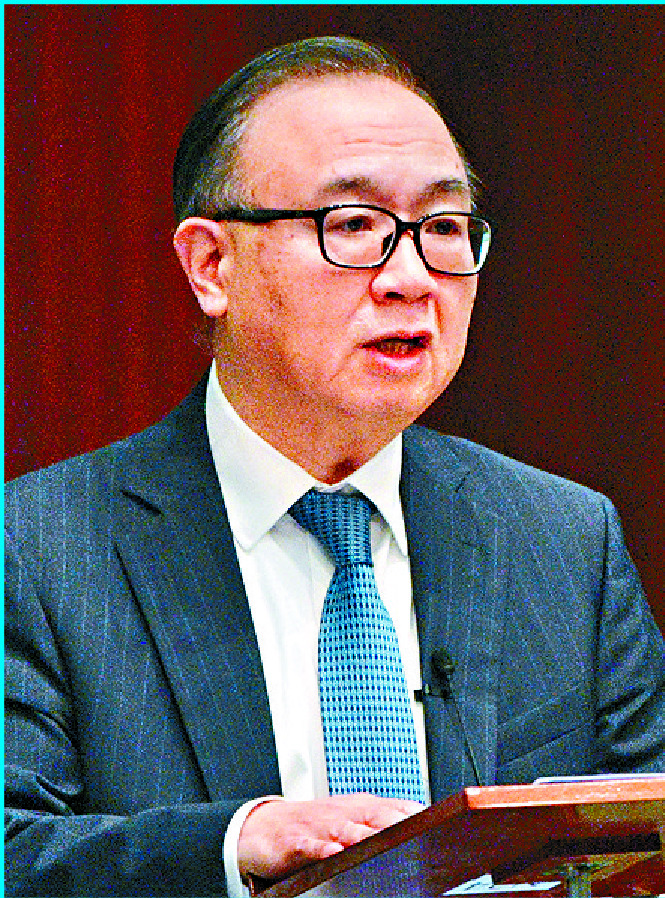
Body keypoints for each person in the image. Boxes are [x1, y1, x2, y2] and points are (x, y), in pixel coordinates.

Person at [5, 35, 665, 898]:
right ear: (211, 264)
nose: (411, 276)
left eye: (442, 227)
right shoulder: (40, 549)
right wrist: (236, 844)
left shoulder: (562, 538)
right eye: (352, 225)